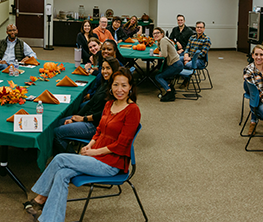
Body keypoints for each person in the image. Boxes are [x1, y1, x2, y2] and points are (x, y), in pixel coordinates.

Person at [24, 67, 140, 222]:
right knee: (62, 173)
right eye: (115, 85)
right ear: (111, 86)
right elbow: (99, 130)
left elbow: (122, 144)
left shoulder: (132, 110)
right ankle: (52, 219)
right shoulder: (109, 104)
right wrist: (90, 145)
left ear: (130, 87)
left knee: (59, 159)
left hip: (112, 163)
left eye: (124, 85)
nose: (119, 89)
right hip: (97, 155)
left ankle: (41, 197)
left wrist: (94, 153)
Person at [54, 57, 121, 152]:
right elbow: (90, 104)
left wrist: (82, 119)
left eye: (108, 68)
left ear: (114, 70)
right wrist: (75, 118)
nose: (104, 71)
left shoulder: (114, 90)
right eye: (103, 68)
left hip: (95, 126)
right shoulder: (105, 84)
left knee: (57, 133)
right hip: (88, 119)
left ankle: (71, 160)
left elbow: (102, 115)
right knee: (57, 123)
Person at [153, 27, 183, 102]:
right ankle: (171, 89)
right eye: (154, 33)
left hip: (175, 65)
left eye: (157, 33)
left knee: (158, 76)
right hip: (177, 63)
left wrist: (158, 54)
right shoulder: (164, 40)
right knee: (162, 73)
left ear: (162, 34)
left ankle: (169, 92)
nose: (155, 35)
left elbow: (164, 55)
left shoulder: (163, 40)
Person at [181, 21, 211, 87]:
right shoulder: (192, 37)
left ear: (204, 29)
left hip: (200, 61)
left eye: (201, 27)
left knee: (187, 65)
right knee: (177, 61)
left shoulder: (206, 39)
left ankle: (186, 79)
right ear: (195, 28)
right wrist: (186, 55)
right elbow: (187, 48)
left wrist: (190, 58)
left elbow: (202, 54)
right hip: (189, 58)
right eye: (198, 27)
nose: (199, 29)